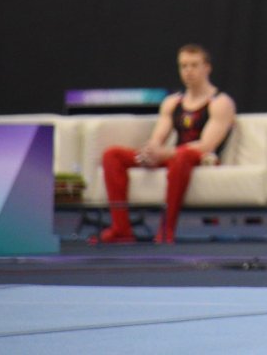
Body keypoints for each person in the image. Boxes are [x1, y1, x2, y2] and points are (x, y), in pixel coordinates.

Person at [94, 44, 236, 244]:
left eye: (194, 65)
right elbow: (158, 137)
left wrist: (166, 153)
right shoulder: (172, 102)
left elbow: (206, 145)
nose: (188, 71)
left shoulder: (220, 102)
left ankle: (166, 229)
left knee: (183, 155)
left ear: (207, 68)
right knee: (112, 155)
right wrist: (150, 150)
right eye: (183, 66)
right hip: (175, 157)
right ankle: (121, 229)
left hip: (199, 158)